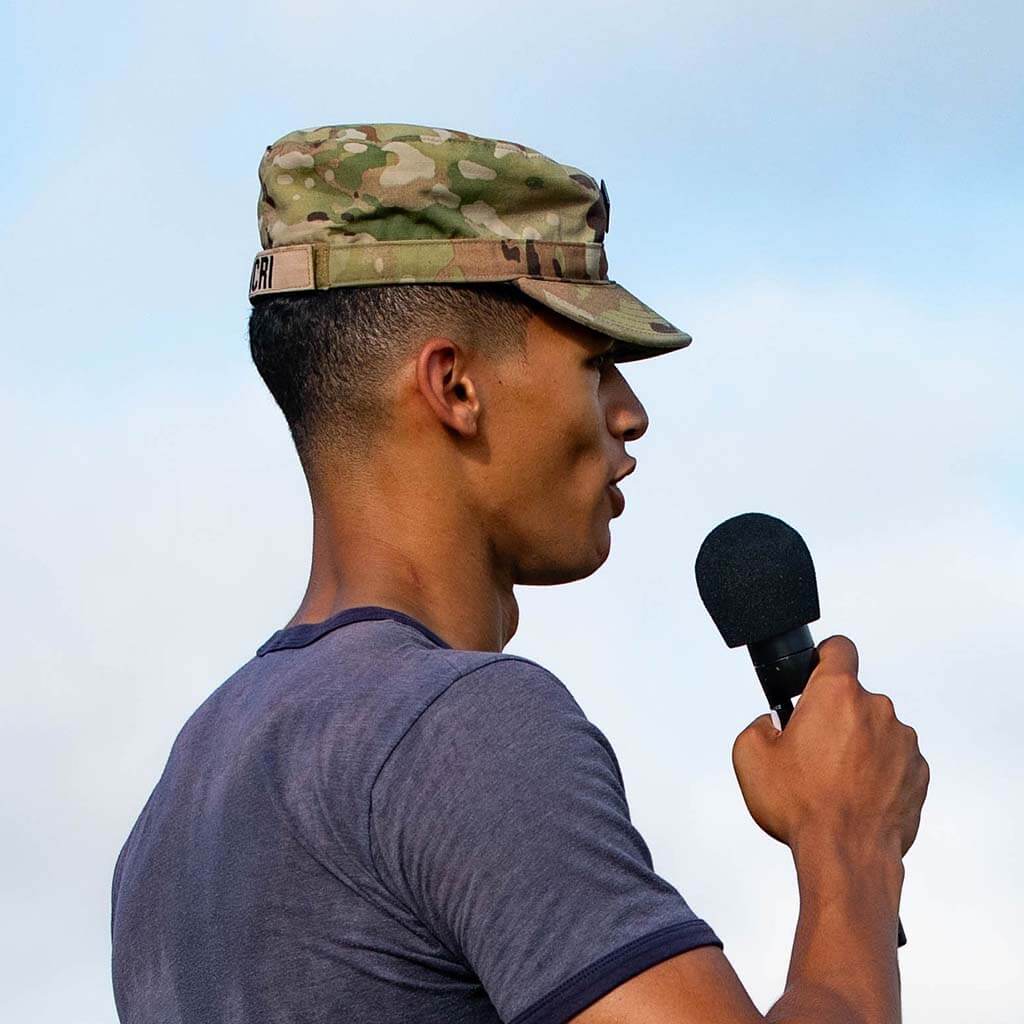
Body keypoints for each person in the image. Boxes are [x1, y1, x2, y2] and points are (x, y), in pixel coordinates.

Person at [110, 123, 929, 1023]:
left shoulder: (176, 810)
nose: (630, 413)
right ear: (455, 387)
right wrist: (848, 840)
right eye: (596, 362)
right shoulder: (460, 729)